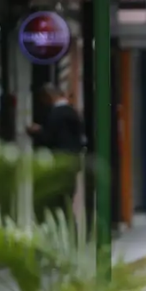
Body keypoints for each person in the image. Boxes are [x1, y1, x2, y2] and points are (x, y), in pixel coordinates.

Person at [26, 84, 84, 220]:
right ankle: (70, 226)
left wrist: (37, 131)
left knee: (58, 200)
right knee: (68, 197)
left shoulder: (55, 114)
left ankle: (63, 224)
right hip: (73, 161)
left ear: (48, 97)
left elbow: (49, 138)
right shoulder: (73, 112)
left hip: (60, 161)